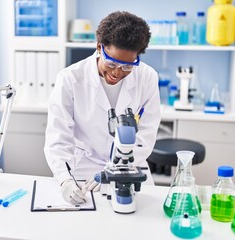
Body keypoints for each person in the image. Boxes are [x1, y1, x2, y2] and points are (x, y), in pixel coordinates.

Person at [44, 11, 161, 204]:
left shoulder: (147, 78)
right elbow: (58, 137)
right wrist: (65, 180)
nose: (117, 72)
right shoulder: (70, 79)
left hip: (130, 165)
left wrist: (114, 169)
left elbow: (145, 136)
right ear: (99, 47)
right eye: (112, 62)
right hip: (84, 166)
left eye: (127, 66)